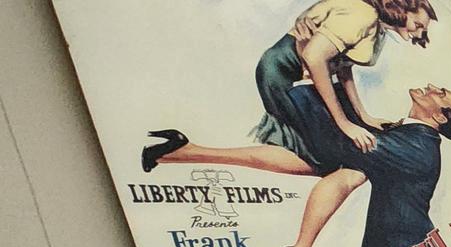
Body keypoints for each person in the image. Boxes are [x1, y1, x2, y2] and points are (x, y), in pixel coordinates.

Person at [140, 85, 451, 247]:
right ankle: (183, 151)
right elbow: (337, 173)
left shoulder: (416, 147)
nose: (433, 88)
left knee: (340, 167)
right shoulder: (406, 137)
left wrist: (315, 89)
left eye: (441, 94)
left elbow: (340, 144)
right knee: (343, 173)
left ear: (441, 118)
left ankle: (184, 152)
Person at [142, 0, 435, 180]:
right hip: (285, 74)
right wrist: (345, 123)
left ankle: (180, 151)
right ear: (403, 6)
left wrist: (363, 116)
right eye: (419, 24)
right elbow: (314, 57)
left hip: (308, 76)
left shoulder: (377, 27)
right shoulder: (362, 15)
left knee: (330, 159)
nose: (420, 33)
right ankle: (183, 152)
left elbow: (342, 67)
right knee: (326, 159)